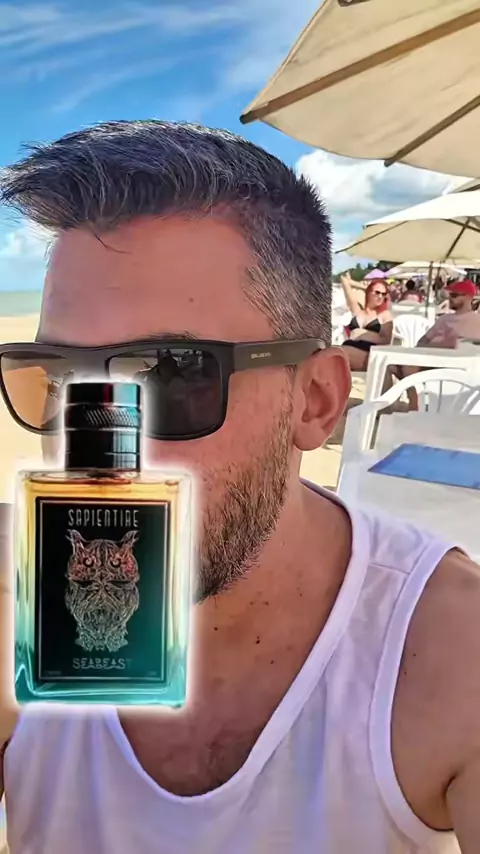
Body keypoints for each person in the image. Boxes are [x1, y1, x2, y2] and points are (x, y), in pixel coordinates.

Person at [0, 121, 479, 854]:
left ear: (315, 401)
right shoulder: (16, 613)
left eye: (171, 375)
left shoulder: (447, 655)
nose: (95, 445)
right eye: (59, 377)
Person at [339, 272, 393, 371]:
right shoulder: (357, 310)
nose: (380, 296)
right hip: (348, 348)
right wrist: (366, 287)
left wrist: (363, 334)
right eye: (377, 292)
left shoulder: (385, 315)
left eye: (383, 294)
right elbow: (344, 280)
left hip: (368, 353)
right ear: (368, 292)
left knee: (334, 354)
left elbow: (386, 341)